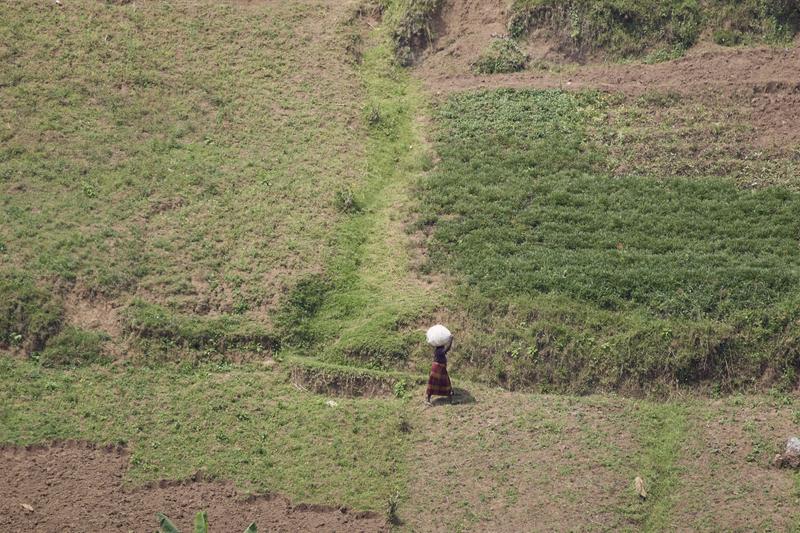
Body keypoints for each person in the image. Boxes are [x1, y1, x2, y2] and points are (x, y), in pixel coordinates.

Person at [426, 337, 454, 404]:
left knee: (435, 383)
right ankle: (450, 400)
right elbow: (447, 349)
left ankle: (428, 399)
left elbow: (446, 350)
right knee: (445, 383)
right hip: (438, 367)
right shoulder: (439, 350)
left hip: (438, 367)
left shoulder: (438, 349)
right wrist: (450, 340)